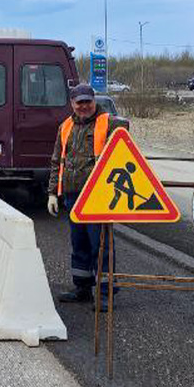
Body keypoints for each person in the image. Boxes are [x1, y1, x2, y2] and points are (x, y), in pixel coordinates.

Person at [47, 84, 114, 309]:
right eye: (79, 102)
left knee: (100, 245)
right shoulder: (65, 127)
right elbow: (58, 161)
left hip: (98, 196)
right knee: (80, 243)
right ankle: (82, 288)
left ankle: (105, 293)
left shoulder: (109, 122)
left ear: (94, 101)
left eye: (88, 101)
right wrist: (52, 193)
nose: (84, 106)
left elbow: (124, 152)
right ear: (72, 104)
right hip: (72, 195)